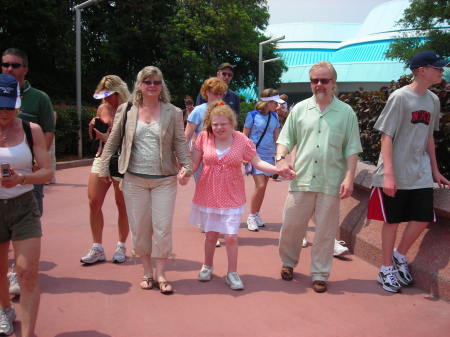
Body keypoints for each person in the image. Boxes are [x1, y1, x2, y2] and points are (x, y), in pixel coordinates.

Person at [99, 66, 192, 294]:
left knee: (162, 227)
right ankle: (146, 271)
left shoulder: (173, 112)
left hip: (164, 179)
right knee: (140, 228)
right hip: (133, 180)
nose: (152, 85)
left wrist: (188, 165)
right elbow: (113, 140)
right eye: (147, 81)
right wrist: (103, 167)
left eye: (156, 82)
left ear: (162, 86)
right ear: (139, 84)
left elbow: (180, 142)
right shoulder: (127, 109)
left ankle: (160, 273)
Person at [188, 101, 295, 290]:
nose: (219, 128)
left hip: (231, 194)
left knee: (230, 237)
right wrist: (184, 173)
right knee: (211, 235)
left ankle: (232, 273)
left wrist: (278, 170)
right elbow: (194, 164)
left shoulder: (241, 140)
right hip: (209, 192)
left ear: (232, 123)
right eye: (215, 124)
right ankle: (207, 265)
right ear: (210, 124)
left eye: (223, 124)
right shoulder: (204, 137)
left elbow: (258, 162)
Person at [276, 61, 362, 293]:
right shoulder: (300, 110)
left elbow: (352, 149)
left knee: (325, 231)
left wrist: (349, 178)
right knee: (292, 226)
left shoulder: (346, 113)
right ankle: (288, 263)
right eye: (315, 80)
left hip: (330, 181)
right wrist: (281, 158)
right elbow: (285, 140)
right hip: (301, 178)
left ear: (334, 83)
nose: (319, 85)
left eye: (324, 80)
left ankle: (320, 273)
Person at [367, 50, 450, 293]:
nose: (441, 71)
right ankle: (385, 269)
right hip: (397, 170)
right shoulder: (399, 97)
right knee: (392, 221)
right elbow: (386, 136)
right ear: (422, 70)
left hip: (420, 172)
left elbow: (428, 138)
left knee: (423, 216)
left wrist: (435, 170)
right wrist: (390, 174)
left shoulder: (433, 100)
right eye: (437, 67)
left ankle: (399, 254)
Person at [0, 74, 52, 337]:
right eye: (0, 105)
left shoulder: (32, 131)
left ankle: (29, 334)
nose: (4, 111)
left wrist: (22, 178)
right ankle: (5, 309)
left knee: (26, 273)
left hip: (23, 206)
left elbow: (47, 172)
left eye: (9, 105)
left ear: (18, 104)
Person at [80, 75, 131, 265]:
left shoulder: (130, 109)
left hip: (121, 160)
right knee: (94, 201)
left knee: (122, 204)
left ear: (119, 93)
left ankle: (121, 246)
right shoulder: (102, 108)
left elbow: (129, 140)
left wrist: (107, 136)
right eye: (104, 95)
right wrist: (93, 129)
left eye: (109, 95)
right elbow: (95, 138)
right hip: (102, 158)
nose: (106, 99)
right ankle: (97, 247)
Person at [243, 89, 282, 231]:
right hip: (255, 155)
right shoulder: (252, 115)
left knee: (263, 187)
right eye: (274, 102)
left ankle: (256, 213)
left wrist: (279, 157)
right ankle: (251, 216)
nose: (277, 105)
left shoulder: (275, 117)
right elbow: (244, 136)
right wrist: (244, 155)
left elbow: (277, 138)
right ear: (268, 102)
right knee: (260, 185)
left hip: (269, 155)